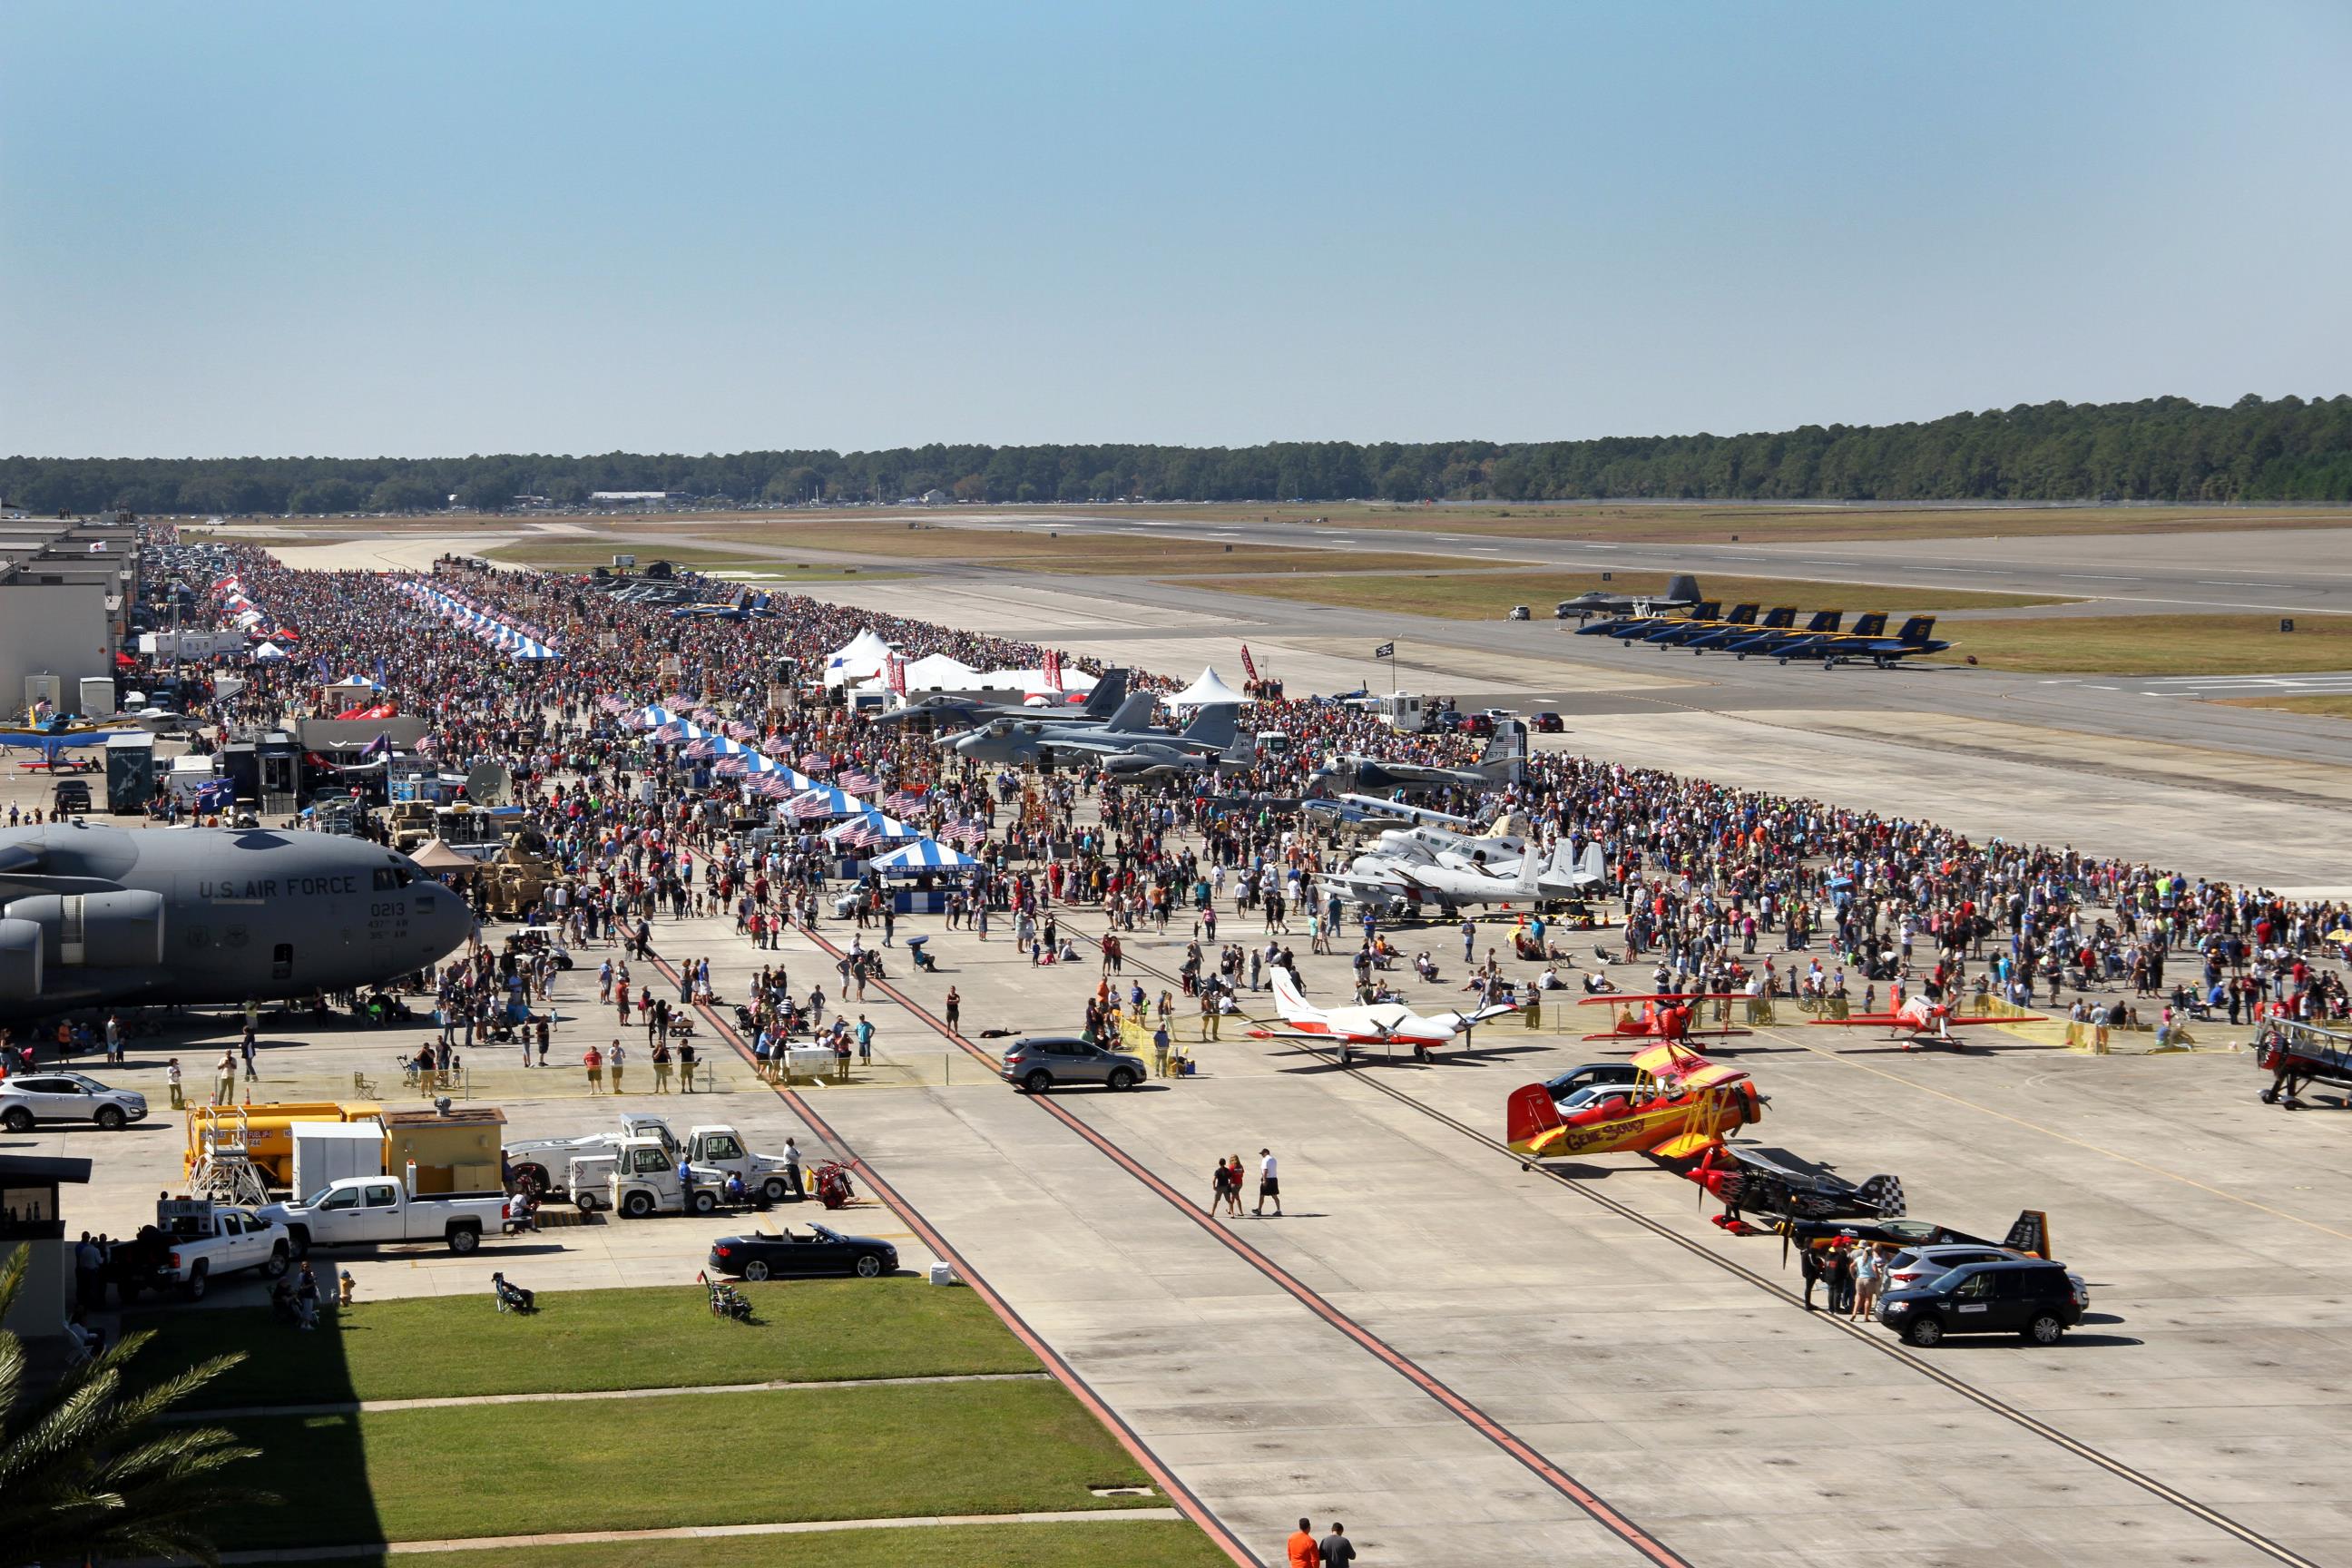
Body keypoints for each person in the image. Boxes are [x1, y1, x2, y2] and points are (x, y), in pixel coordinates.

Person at [1255, 1147, 1281, 1217]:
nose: (1262, 1155)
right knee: (1274, 1195)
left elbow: (1265, 1170)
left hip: (1267, 1179)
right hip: (1274, 1179)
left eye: (1262, 1154)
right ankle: (1279, 1210)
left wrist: (1264, 1180)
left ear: (1266, 1153)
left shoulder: (1265, 1160)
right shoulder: (1274, 1159)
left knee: (1262, 1195)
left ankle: (1259, 1210)